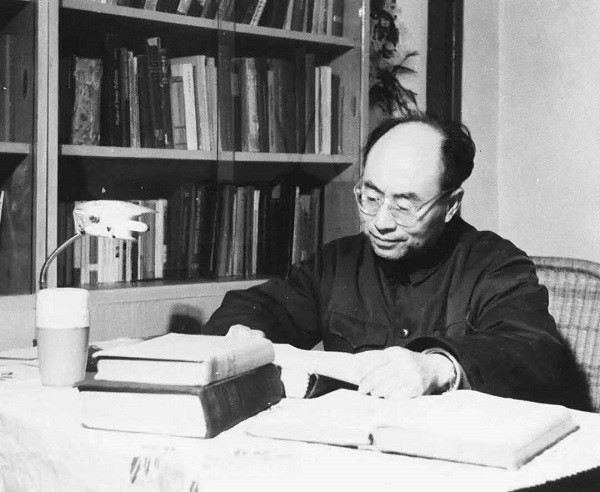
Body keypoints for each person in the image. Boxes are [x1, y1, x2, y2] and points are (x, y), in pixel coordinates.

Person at [204, 112, 588, 409]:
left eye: (404, 206)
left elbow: (534, 351)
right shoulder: (338, 262)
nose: (381, 223)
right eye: (370, 198)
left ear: (451, 204)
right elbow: (254, 306)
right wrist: (241, 333)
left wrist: (439, 367)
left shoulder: (495, 264)